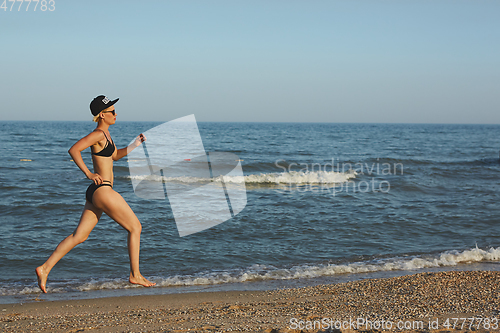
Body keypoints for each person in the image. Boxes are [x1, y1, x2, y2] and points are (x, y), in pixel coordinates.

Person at [36, 95, 156, 293]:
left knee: (79, 236)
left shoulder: (107, 135)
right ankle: (135, 274)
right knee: (135, 227)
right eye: (112, 112)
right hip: (102, 189)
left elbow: (115, 156)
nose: (116, 114)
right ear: (102, 114)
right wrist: (89, 173)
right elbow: (74, 150)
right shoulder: (99, 134)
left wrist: (135, 145)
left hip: (96, 193)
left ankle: (45, 268)